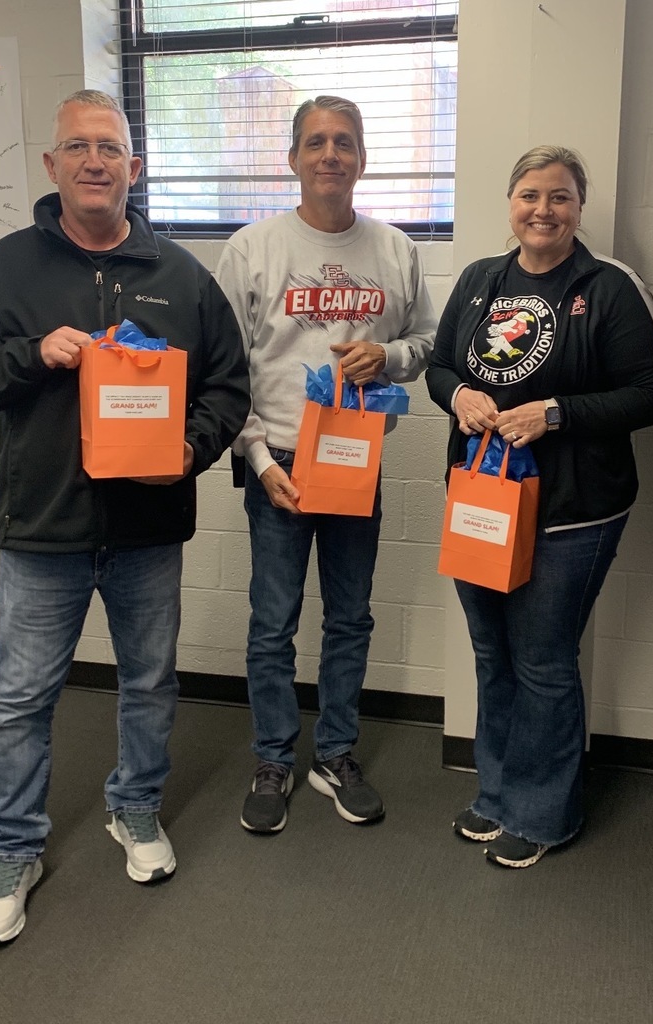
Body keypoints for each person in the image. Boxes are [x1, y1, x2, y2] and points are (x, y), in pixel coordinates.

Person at [0, 90, 250, 944]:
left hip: (146, 530)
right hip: (42, 529)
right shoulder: (7, 267)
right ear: (52, 166)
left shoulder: (181, 275)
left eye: (110, 148)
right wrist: (29, 354)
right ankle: (13, 849)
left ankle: (136, 810)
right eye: (77, 147)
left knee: (150, 682)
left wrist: (183, 451)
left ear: (135, 165)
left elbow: (228, 388)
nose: (95, 161)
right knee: (19, 698)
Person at [426, 146, 653, 868]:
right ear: (510, 202)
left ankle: (544, 812)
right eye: (529, 194)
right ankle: (497, 793)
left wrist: (555, 413)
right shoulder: (479, 281)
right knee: (491, 652)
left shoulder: (608, 285)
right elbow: (441, 365)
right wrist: (457, 394)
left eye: (559, 197)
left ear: (578, 207)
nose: (542, 209)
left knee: (540, 660)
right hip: (481, 498)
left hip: (573, 512)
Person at [216, 95, 436, 833]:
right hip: (276, 459)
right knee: (272, 620)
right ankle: (274, 755)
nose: (330, 155)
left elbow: (429, 342)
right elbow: (225, 368)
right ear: (293, 159)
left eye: (344, 142)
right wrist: (253, 455)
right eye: (315, 143)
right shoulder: (252, 249)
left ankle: (334, 754)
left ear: (362, 159)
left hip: (354, 458)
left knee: (350, 617)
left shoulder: (396, 250)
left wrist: (391, 356)